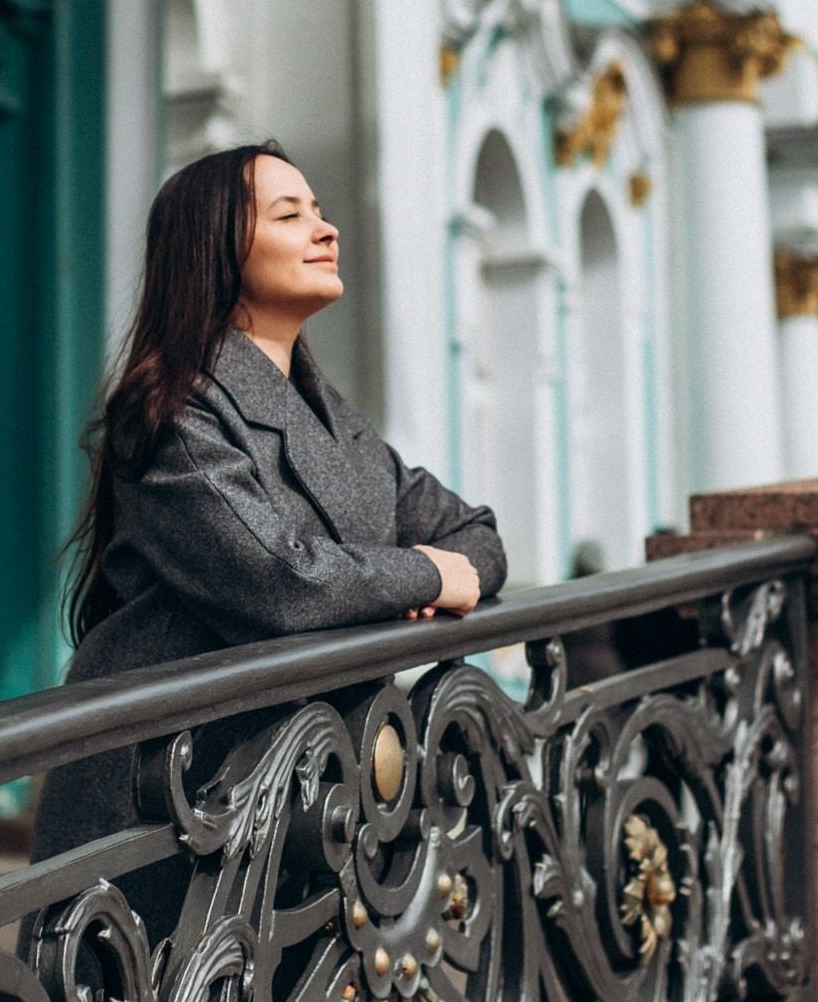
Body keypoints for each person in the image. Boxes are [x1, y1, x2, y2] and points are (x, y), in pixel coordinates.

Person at [30, 140, 507, 933]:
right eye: (290, 215)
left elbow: (474, 534)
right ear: (215, 249)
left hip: (296, 795)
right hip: (167, 794)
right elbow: (281, 585)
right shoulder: (172, 408)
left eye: (319, 211)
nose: (326, 229)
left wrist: (434, 571)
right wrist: (425, 576)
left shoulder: (335, 420)